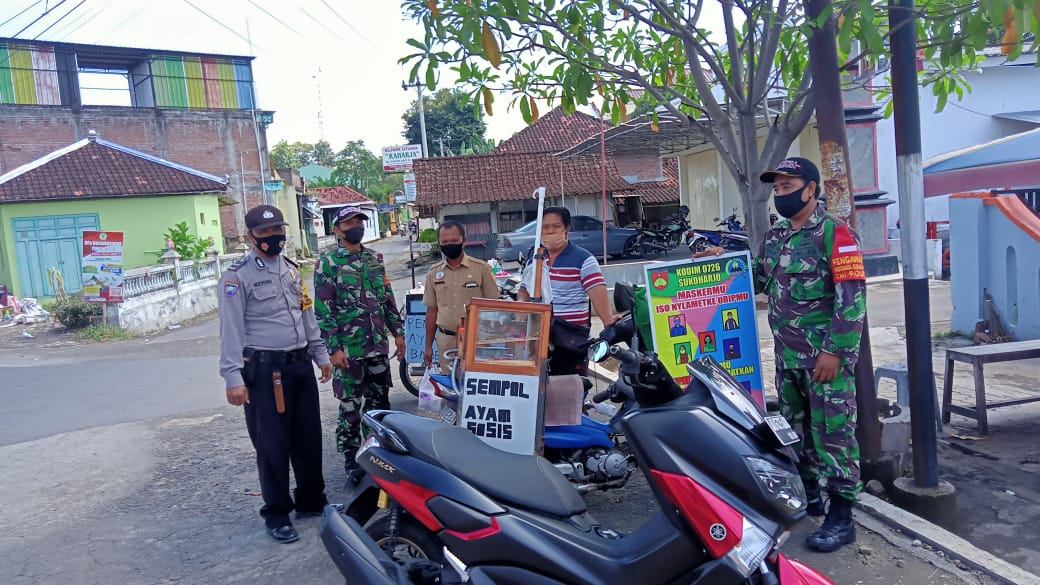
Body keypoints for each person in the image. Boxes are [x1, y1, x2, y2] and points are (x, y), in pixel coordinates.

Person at [697, 156, 866, 553]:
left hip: (825, 361)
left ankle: (842, 517)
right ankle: (808, 497)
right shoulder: (775, 237)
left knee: (834, 434)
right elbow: (756, 277)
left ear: (811, 188)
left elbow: (853, 301)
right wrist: (716, 264)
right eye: (776, 189)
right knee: (795, 430)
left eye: (787, 187)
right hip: (788, 357)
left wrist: (834, 353)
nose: (780, 195)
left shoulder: (836, 234)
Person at [218, 204, 333, 544]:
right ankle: (277, 512)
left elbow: (306, 315)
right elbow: (231, 330)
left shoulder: (291, 269)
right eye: (265, 233)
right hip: (265, 371)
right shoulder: (236, 277)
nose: (273, 237)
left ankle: (312, 500)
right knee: (272, 444)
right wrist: (232, 377)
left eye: (277, 230)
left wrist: (320, 354)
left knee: (309, 437)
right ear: (249, 236)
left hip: (299, 365)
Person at [314, 206, 405, 481]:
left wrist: (398, 334)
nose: (356, 226)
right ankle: (352, 460)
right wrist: (334, 348)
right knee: (351, 408)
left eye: (359, 221)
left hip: (377, 346)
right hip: (349, 351)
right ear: (337, 229)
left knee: (379, 404)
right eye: (349, 222)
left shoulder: (374, 259)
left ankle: (377, 454)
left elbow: (386, 300)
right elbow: (323, 310)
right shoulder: (328, 263)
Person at [517, 206, 619, 376]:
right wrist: (521, 305)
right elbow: (524, 291)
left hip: (571, 339)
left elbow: (597, 292)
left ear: (567, 228)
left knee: (570, 393)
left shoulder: (583, 259)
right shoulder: (536, 260)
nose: (550, 232)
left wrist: (608, 321)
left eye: (556, 227)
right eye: (545, 227)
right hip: (539, 338)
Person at [423, 221, 499, 373]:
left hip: (477, 340)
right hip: (447, 340)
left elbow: (494, 306)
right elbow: (432, 311)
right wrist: (428, 346)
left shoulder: (481, 269)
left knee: (478, 386)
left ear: (464, 241)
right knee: (450, 388)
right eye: (444, 242)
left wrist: (492, 340)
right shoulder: (433, 272)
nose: (449, 245)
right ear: (439, 243)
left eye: (453, 241)